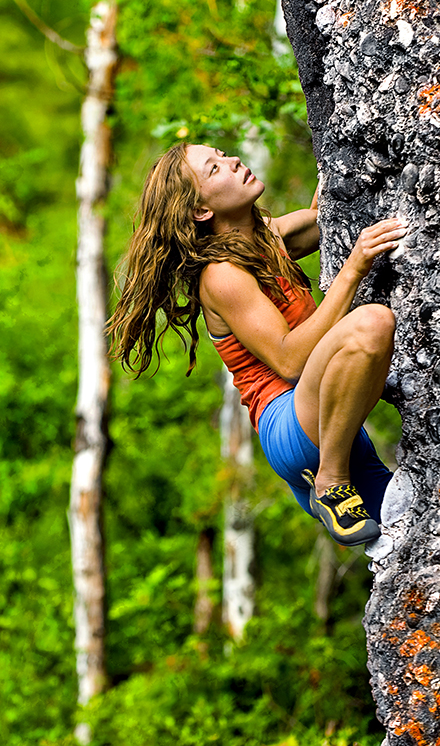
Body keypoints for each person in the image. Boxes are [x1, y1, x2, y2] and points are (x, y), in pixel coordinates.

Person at [108, 142, 407, 546]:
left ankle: (336, 482)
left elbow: (323, 221)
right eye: (214, 169)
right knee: (372, 324)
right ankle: (332, 482)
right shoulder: (221, 275)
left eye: (222, 154)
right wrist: (353, 269)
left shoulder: (267, 238)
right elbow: (289, 359)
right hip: (291, 426)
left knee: (412, 533)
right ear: (201, 211)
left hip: (329, 418)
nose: (232, 161)